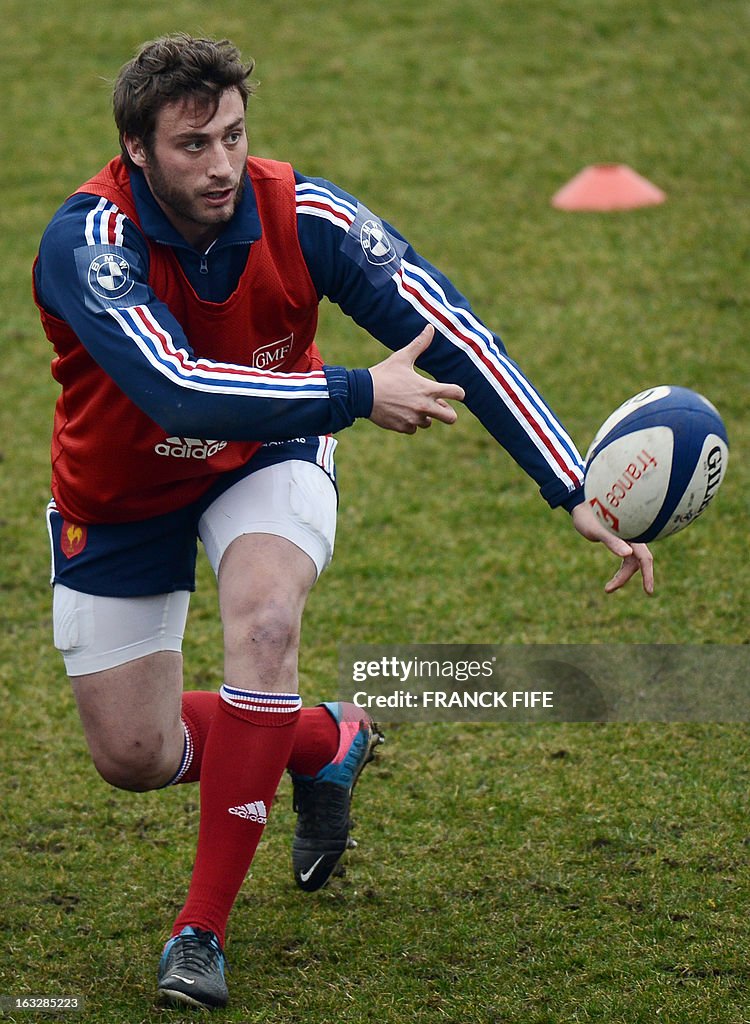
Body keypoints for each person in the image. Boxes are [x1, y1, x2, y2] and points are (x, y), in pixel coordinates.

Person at [33, 33, 654, 1011]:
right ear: (137, 151)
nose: (223, 164)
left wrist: (572, 483)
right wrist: (358, 390)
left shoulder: (301, 213)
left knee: (267, 623)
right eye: (193, 145)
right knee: (133, 756)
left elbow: (454, 329)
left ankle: (200, 932)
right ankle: (324, 738)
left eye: (235, 135)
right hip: (121, 494)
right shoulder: (87, 244)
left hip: (271, 453)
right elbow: (174, 390)